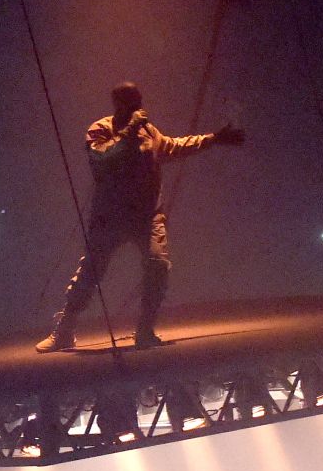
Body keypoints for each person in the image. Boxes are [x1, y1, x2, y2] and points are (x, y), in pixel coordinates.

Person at [36, 82, 244, 352]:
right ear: (117, 102)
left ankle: (144, 330)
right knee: (89, 274)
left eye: (139, 99)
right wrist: (130, 130)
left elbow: (173, 146)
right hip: (110, 218)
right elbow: (103, 160)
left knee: (158, 264)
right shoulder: (100, 129)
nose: (138, 105)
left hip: (147, 216)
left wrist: (213, 139)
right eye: (131, 100)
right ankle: (64, 331)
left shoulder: (149, 132)